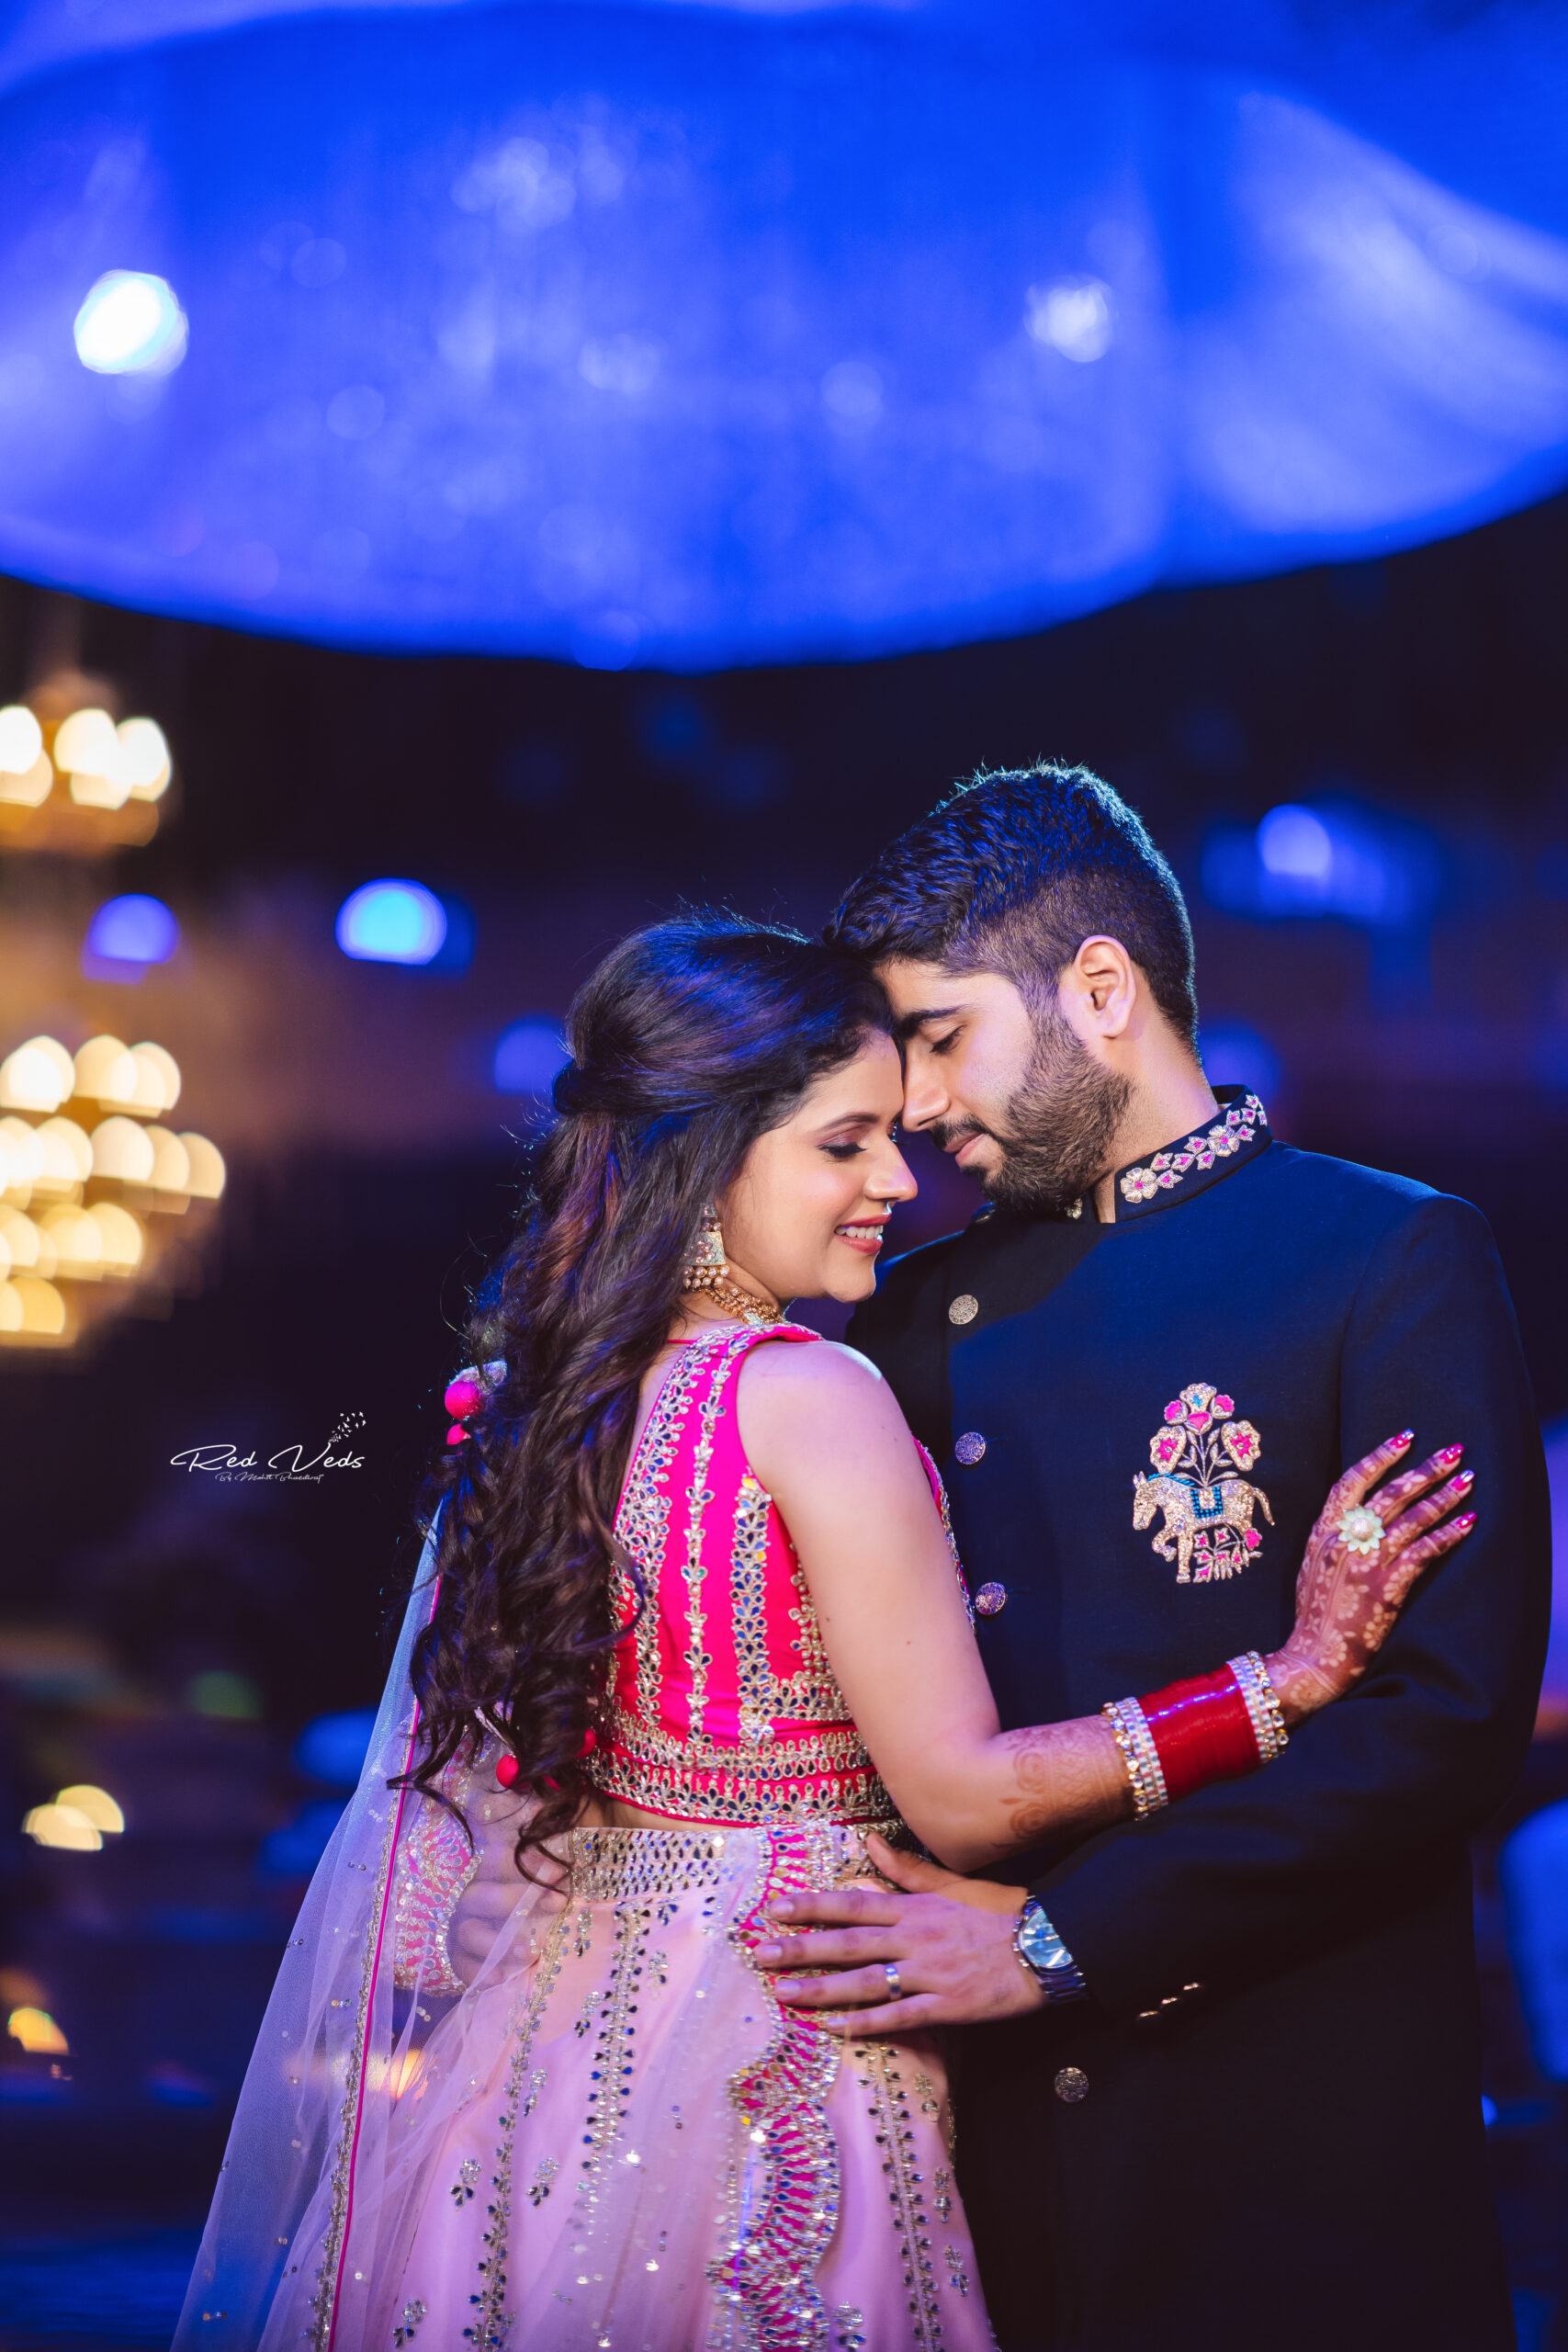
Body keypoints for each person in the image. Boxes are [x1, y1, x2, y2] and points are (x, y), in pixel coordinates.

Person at [175, 917, 1472, 2352]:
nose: (895, 1181)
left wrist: (532, 1890)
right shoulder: (809, 1394)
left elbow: (448, 1849)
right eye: (844, 1144)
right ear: (709, 1154)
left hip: (541, 2055)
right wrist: (1284, 1681)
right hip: (787, 2026)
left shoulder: (531, 1408)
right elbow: (964, 1802)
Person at [752, 763, 1551, 2352]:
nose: (915, 1105)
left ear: (1099, 989)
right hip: (964, 2122)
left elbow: (1443, 1723)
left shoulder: (1385, 1256)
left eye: (940, 1035)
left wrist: (1057, 1944)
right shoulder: (905, 1318)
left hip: (1286, 2105)